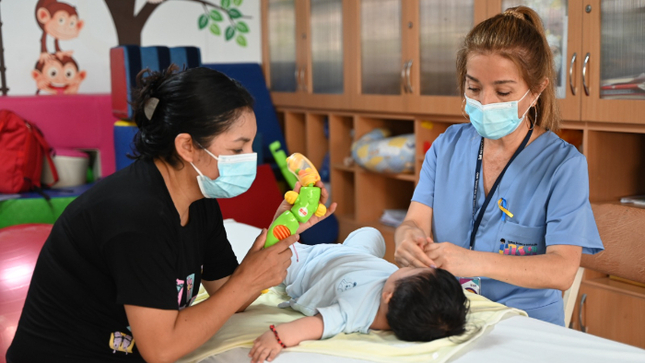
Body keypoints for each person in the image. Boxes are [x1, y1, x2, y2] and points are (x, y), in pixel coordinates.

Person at [6, 65, 336, 363]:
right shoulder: (135, 215)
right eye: (237, 148)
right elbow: (161, 349)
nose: (248, 158)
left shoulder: (199, 198)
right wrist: (248, 280)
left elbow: (229, 296)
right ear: (187, 146)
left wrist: (283, 226)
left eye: (250, 146)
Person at [394, 6, 603, 327]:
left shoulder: (563, 166)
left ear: (537, 90)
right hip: (448, 315)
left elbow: (562, 270)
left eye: (503, 91)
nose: (486, 102)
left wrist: (472, 261)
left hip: (524, 323)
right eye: (473, 88)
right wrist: (407, 238)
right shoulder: (447, 146)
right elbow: (415, 222)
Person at [250, 227, 469, 363]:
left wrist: (279, 337)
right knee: (372, 234)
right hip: (357, 256)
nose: (410, 266)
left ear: (388, 296)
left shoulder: (356, 311)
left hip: (311, 265)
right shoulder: (406, 295)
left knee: (275, 256)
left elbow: (316, 325)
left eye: (412, 270)